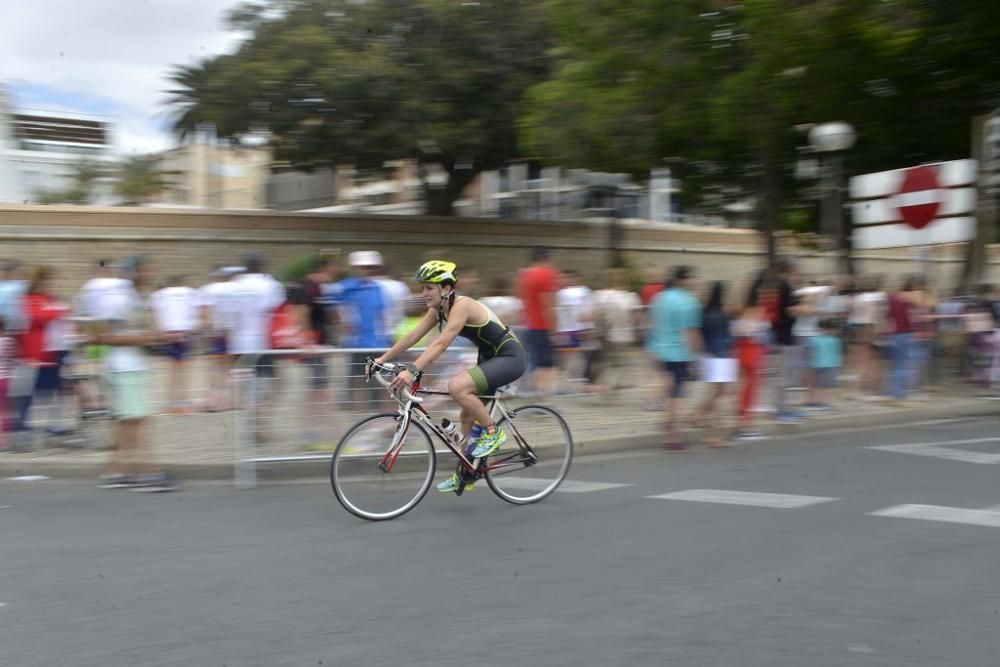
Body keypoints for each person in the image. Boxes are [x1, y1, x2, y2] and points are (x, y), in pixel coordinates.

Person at [373, 260, 527, 493]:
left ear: (446, 288)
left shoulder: (462, 306)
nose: (423, 293)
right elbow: (413, 336)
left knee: (457, 387)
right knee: (466, 416)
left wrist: (412, 370)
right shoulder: (438, 310)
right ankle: (466, 473)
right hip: (488, 358)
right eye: (423, 287)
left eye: (429, 288)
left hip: (509, 356)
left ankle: (493, 432)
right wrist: (381, 360)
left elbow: (442, 342)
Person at [92, 256, 177, 491]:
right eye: (147, 271)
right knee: (137, 421)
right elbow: (103, 337)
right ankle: (147, 473)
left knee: (128, 422)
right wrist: (148, 338)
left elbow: (138, 330)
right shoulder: (115, 298)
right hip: (124, 368)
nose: (151, 275)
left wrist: (157, 336)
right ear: (135, 273)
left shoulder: (137, 298)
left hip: (134, 366)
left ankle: (115, 473)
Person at [646, 265, 701, 451]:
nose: (695, 282)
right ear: (683, 279)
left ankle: (667, 422)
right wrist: (695, 357)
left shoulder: (658, 298)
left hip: (659, 350)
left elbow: (652, 324)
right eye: (692, 278)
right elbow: (690, 332)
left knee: (668, 391)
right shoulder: (689, 301)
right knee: (677, 396)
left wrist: (651, 349)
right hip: (679, 353)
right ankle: (675, 437)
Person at [148, 275, 200, 413]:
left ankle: (172, 401)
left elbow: (154, 314)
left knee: (173, 370)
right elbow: (197, 313)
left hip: (170, 333)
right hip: (184, 333)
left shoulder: (160, 294)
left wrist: (160, 332)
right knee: (182, 370)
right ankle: (181, 401)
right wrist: (192, 330)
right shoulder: (189, 292)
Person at [695, 281, 736, 446]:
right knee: (719, 395)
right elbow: (729, 336)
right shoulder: (723, 314)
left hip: (710, 355)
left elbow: (701, 335)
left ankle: (699, 415)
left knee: (715, 393)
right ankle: (715, 435)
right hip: (723, 356)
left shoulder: (704, 312)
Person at [516, 247, 560, 397]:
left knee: (534, 363)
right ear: (547, 258)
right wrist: (554, 331)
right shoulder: (547, 274)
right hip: (542, 326)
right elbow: (548, 305)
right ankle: (543, 400)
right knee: (547, 365)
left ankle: (535, 397)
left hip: (528, 325)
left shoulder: (524, 274)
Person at [554, 269, 594, 389]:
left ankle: (583, 381)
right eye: (565, 278)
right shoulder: (561, 293)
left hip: (582, 329)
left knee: (584, 356)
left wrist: (589, 327)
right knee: (566, 358)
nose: (567, 280)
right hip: (567, 329)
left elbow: (590, 309)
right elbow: (558, 312)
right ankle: (564, 384)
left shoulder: (585, 291)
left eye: (569, 278)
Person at [806, 319, 843, 410]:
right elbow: (837, 353)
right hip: (826, 365)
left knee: (817, 384)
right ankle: (820, 401)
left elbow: (811, 353)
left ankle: (815, 401)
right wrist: (838, 365)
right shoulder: (834, 340)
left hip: (819, 365)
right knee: (822, 385)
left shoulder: (814, 339)